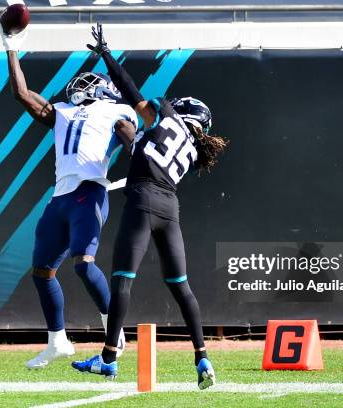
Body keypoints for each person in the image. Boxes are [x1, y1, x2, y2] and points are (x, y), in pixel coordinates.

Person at [72, 24, 228, 390]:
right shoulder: (191, 150)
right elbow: (141, 144)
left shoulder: (166, 113)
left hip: (142, 201)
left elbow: (133, 94)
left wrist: (108, 55)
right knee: (181, 287)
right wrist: (129, 131)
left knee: (123, 281)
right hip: (168, 210)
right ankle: (203, 357)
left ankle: (109, 359)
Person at [0, 25, 136, 369]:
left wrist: (141, 164)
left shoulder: (116, 110)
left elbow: (131, 137)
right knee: (42, 272)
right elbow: (22, 94)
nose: (83, 86)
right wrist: (10, 46)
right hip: (60, 197)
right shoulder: (62, 111)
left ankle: (113, 331)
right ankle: (57, 341)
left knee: (84, 267)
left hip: (89, 191)